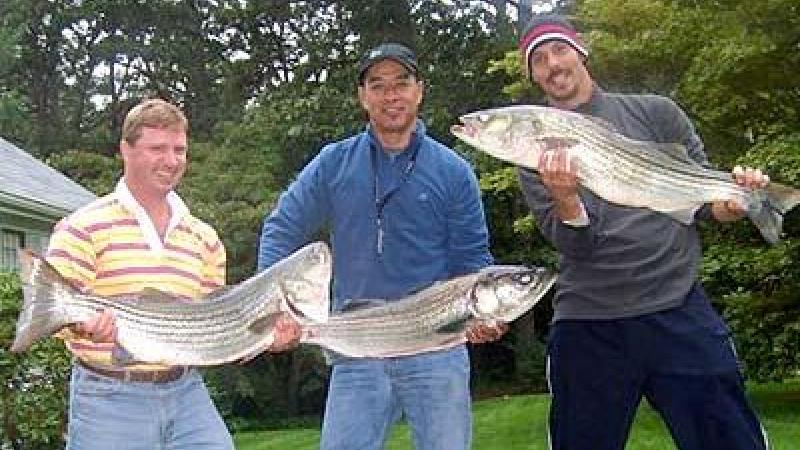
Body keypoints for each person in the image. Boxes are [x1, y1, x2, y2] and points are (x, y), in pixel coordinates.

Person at [516, 15, 770, 450]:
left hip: (677, 306)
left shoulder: (656, 112)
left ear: (581, 53)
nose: (553, 64)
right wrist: (565, 199)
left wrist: (733, 202)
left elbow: (705, 206)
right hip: (589, 320)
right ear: (534, 76)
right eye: (539, 60)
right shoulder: (531, 154)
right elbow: (576, 245)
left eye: (559, 50)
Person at [257, 42, 506, 450]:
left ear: (419, 90)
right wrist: (272, 303)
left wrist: (486, 315)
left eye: (401, 83)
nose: (391, 95)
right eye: (378, 85)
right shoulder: (332, 163)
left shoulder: (454, 171)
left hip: (436, 348)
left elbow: (473, 262)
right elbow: (282, 227)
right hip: (356, 349)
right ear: (363, 96)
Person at [45, 98, 297, 450]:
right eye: (157, 148)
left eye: (179, 149)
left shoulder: (204, 238)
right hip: (108, 396)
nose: (171, 160)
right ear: (125, 150)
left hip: (186, 391)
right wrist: (82, 325)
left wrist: (268, 335)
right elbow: (54, 312)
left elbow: (218, 324)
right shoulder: (82, 226)